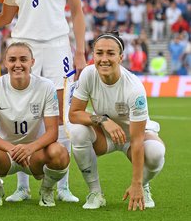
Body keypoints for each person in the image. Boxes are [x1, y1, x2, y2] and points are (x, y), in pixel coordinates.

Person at [0, 0, 85, 203]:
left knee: (60, 118)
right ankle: (22, 187)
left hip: (57, 47)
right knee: (22, 115)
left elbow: (77, 12)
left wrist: (80, 52)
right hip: (23, 47)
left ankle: (62, 186)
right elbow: (6, 18)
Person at [69, 32, 165, 210]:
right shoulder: (89, 74)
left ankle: (143, 186)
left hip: (132, 138)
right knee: (77, 132)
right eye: (99, 53)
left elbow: (136, 140)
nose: (104, 59)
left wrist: (136, 182)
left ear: (121, 58)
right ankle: (95, 193)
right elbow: (74, 114)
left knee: (156, 153)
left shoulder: (134, 88)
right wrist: (103, 120)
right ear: (93, 55)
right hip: (105, 136)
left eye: (110, 53)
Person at [0, 42, 70, 207]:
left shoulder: (46, 86)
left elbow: (52, 132)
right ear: (5, 62)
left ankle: (47, 189)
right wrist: (11, 149)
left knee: (60, 153)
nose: (18, 64)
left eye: (23, 59)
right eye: (12, 60)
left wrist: (30, 148)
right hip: (5, 155)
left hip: (34, 155)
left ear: (32, 62)